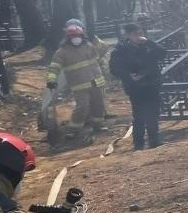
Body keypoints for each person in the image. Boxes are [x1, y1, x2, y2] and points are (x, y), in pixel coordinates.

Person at [46, 20, 110, 139]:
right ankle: (73, 129)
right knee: (82, 107)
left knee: (99, 104)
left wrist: (104, 69)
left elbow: (99, 58)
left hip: (96, 82)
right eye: (72, 36)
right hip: (79, 85)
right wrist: (51, 80)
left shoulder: (89, 46)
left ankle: (98, 124)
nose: (76, 38)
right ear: (68, 38)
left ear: (82, 35)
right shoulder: (62, 52)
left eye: (78, 35)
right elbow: (54, 67)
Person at [109, 22, 164, 150]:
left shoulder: (148, 46)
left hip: (152, 85)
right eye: (135, 34)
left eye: (140, 33)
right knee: (139, 116)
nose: (139, 36)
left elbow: (162, 53)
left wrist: (150, 43)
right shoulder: (120, 51)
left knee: (153, 114)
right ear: (128, 35)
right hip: (135, 88)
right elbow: (114, 69)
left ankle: (154, 140)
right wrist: (129, 76)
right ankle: (138, 144)